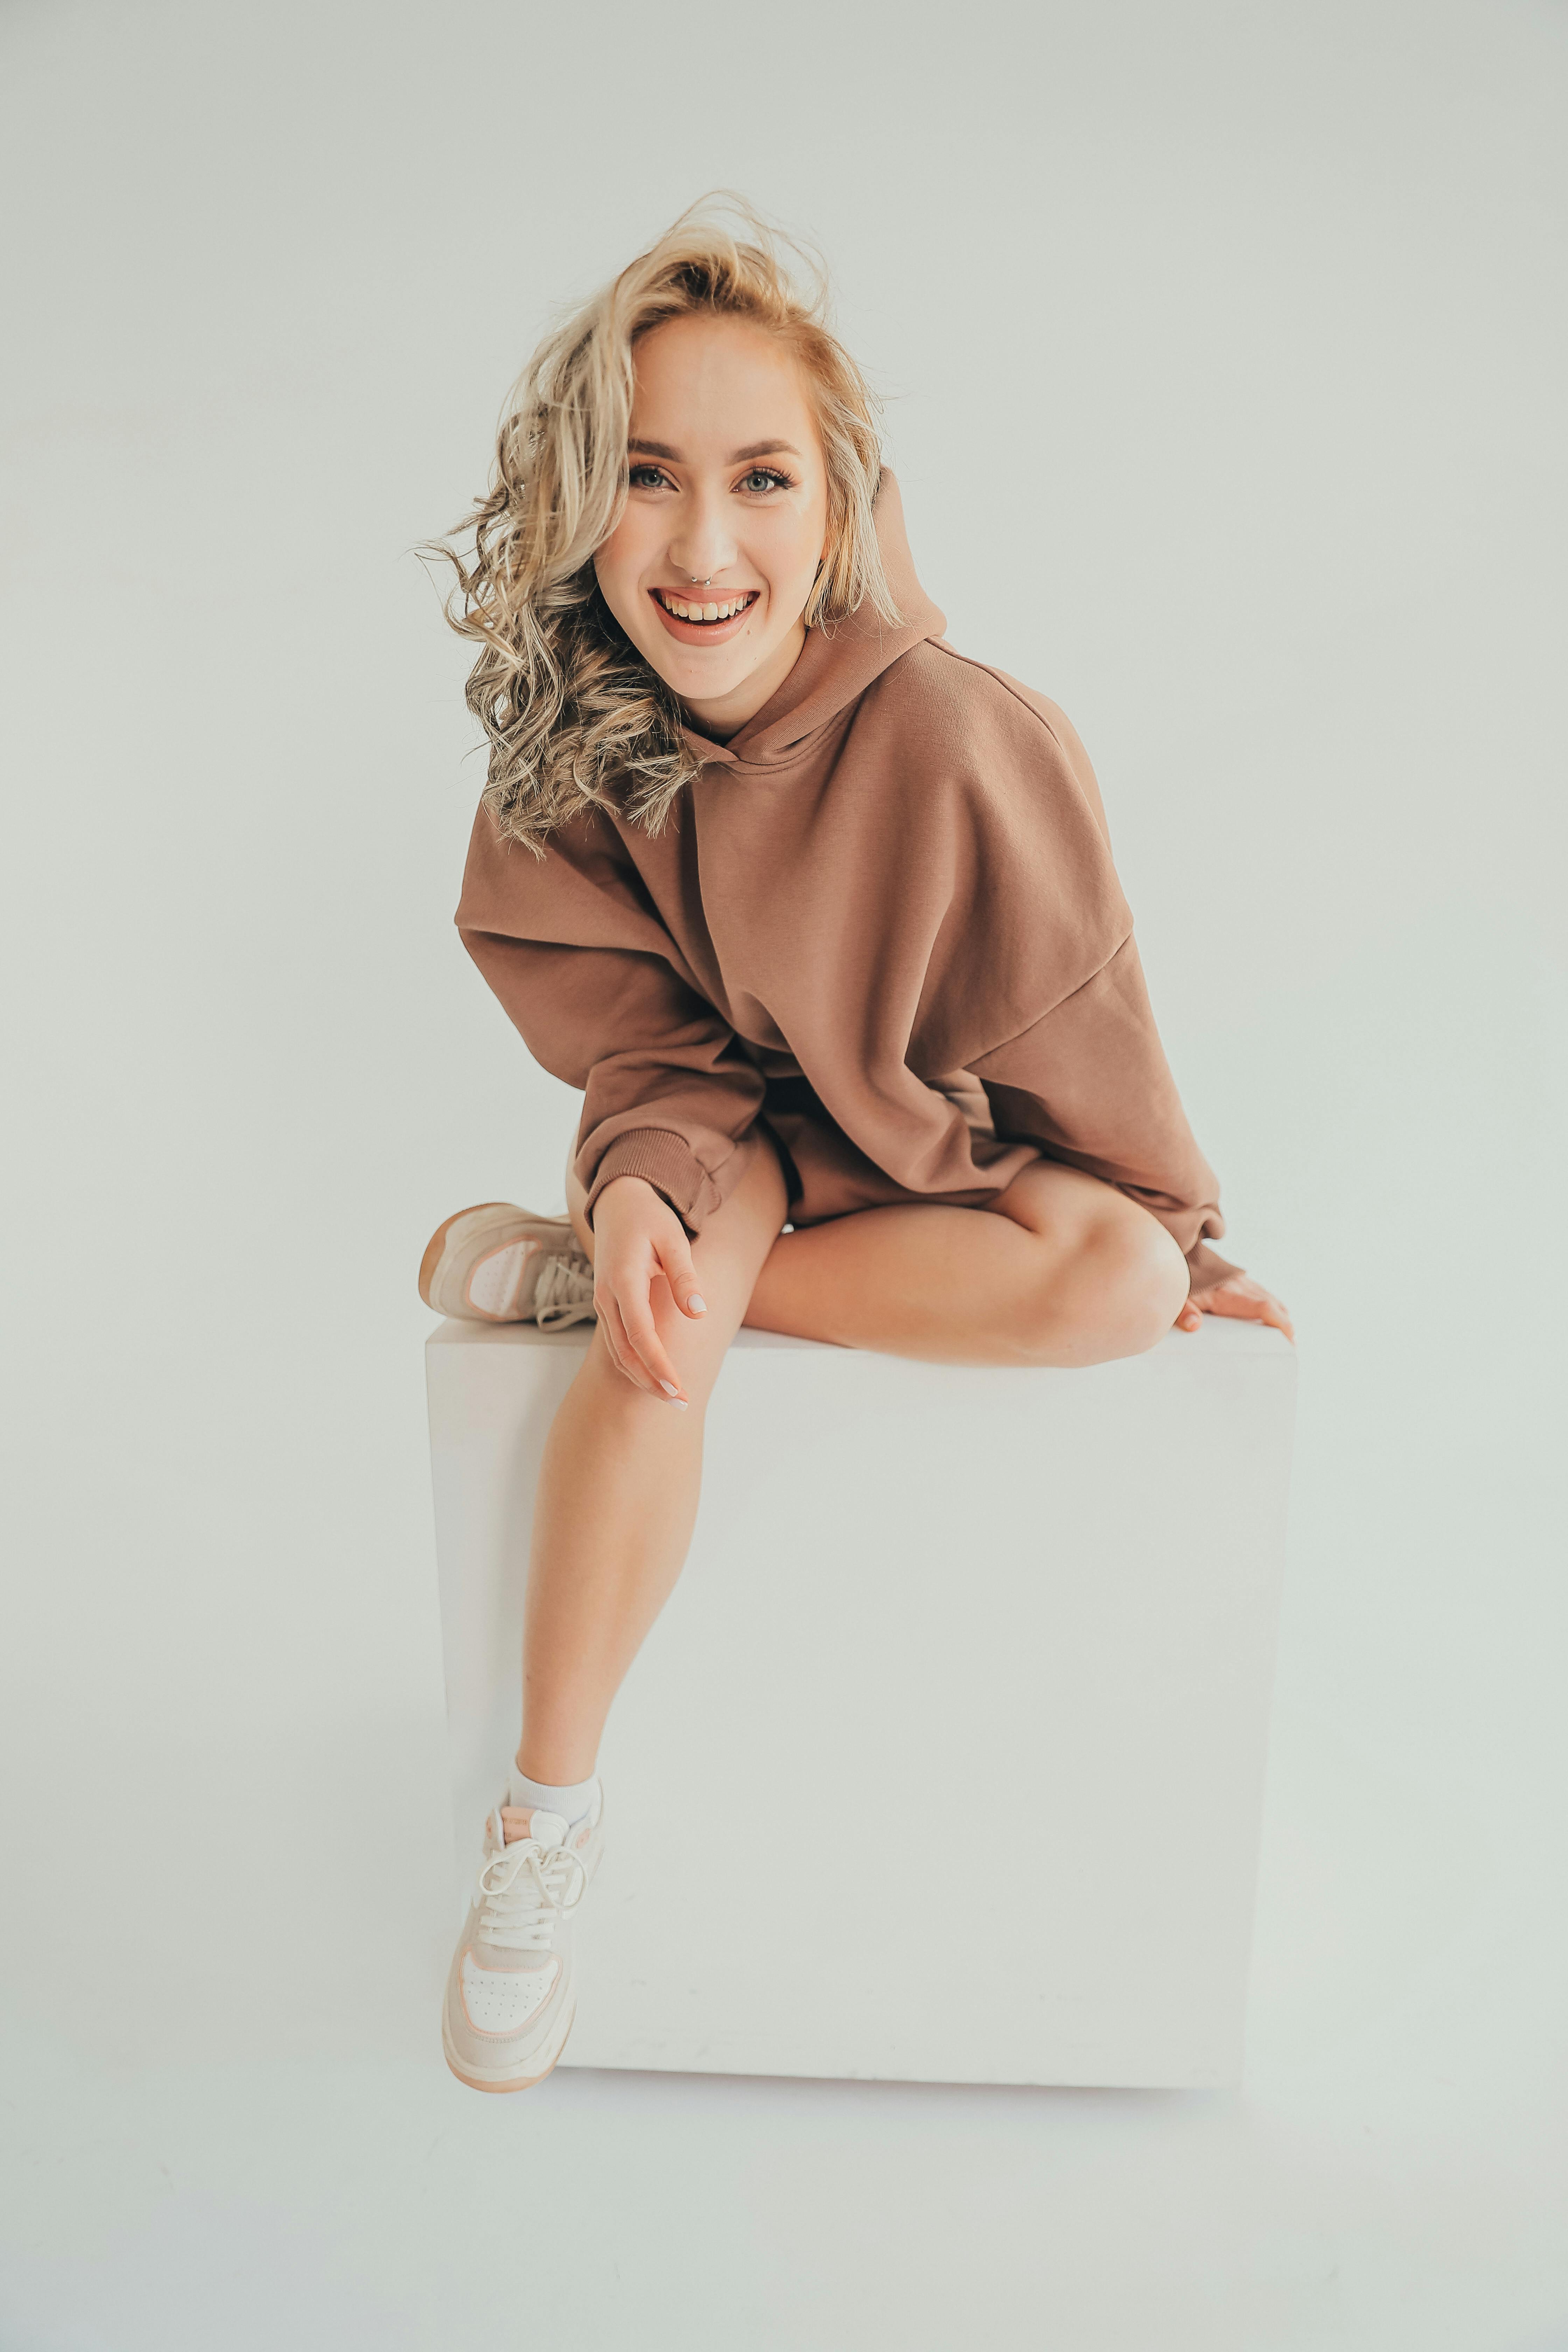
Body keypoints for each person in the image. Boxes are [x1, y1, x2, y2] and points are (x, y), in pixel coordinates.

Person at [421, 198, 1293, 2094]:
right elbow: (636, 1031)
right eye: (647, 478)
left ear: (839, 513)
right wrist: (653, 1188)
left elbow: (1083, 1030)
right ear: (583, 498)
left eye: (761, 479)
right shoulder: (579, 740)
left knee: (1128, 1280)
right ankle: (542, 1825)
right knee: (661, 1356)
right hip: (726, 1129)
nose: (703, 543)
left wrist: (1195, 1242)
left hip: (924, 1163)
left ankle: (609, 1281)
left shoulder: (965, 741)